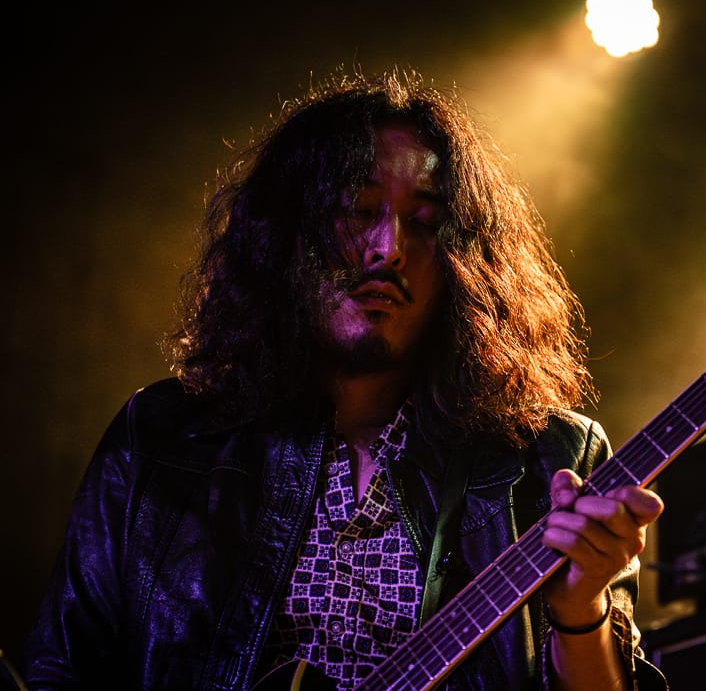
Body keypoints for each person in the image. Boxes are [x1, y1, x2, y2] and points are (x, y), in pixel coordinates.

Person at [22, 71, 667, 690]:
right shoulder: (162, 438)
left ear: (464, 261)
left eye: (425, 223)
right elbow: (63, 672)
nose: (389, 247)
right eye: (357, 210)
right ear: (285, 235)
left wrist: (580, 610)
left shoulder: (549, 457)